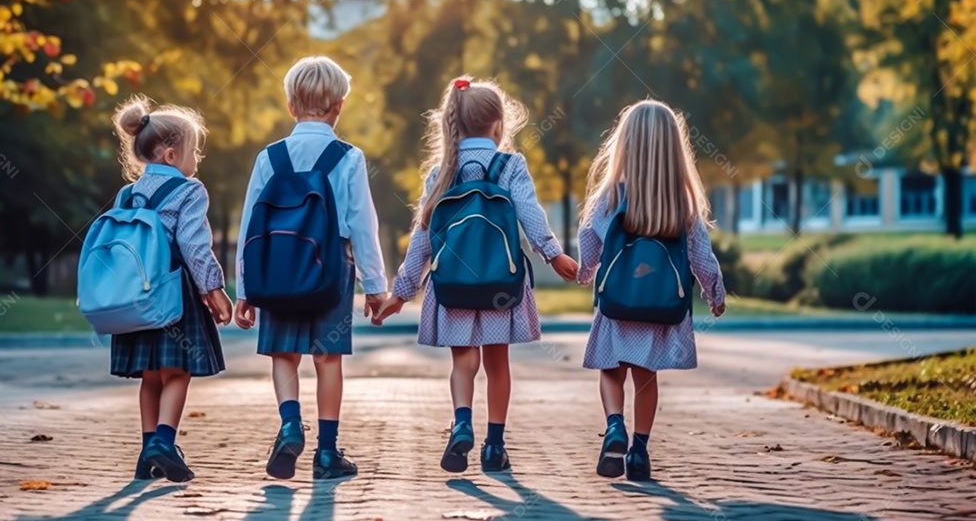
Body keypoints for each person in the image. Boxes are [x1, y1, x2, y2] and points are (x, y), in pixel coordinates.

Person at [375, 76, 577, 473]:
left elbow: (423, 237)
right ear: (499, 125)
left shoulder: (442, 173)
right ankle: (494, 447)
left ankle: (462, 422)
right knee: (497, 363)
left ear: (455, 123)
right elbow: (530, 216)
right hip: (502, 285)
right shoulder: (510, 165)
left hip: (453, 285)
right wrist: (553, 255)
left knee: (463, 361)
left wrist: (400, 293)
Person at [234, 56, 387, 480]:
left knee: (284, 354)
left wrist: (244, 289)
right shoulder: (348, 157)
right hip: (330, 269)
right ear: (339, 106)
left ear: (290, 106)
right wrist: (375, 286)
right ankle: (326, 452)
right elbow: (361, 223)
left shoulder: (270, 157)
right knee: (327, 358)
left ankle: (288, 424)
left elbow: (250, 222)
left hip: (275, 267)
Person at [576, 99, 726, 481]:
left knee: (611, 370)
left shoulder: (610, 198)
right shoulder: (681, 203)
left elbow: (590, 240)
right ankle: (639, 451)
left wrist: (584, 270)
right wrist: (714, 291)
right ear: (673, 149)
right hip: (660, 307)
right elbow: (701, 256)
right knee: (646, 376)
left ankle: (614, 428)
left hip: (616, 304)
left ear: (624, 145)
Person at [109, 95, 233, 483]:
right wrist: (215, 291)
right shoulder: (189, 190)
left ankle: (148, 453)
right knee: (177, 372)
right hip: (174, 294)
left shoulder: (126, 195)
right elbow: (195, 249)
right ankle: (164, 440)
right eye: (194, 150)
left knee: (150, 376)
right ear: (170, 153)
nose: (196, 159)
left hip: (135, 296)